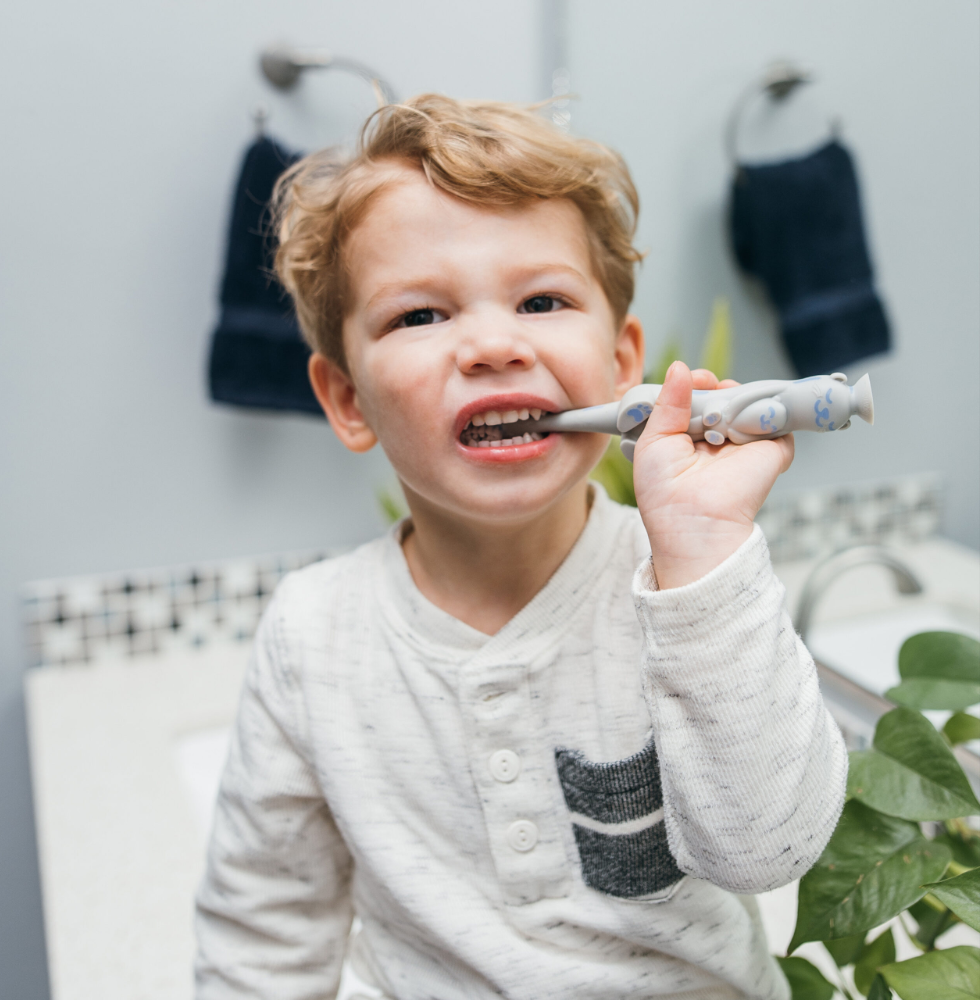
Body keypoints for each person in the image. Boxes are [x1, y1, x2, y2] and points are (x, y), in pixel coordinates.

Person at [195, 94, 847, 1000]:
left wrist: (703, 555)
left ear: (624, 364)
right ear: (347, 400)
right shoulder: (313, 639)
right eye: (420, 316)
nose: (494, 345)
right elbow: (260, 939)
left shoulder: (694, 593)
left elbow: (768, 847)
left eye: (541, 301)